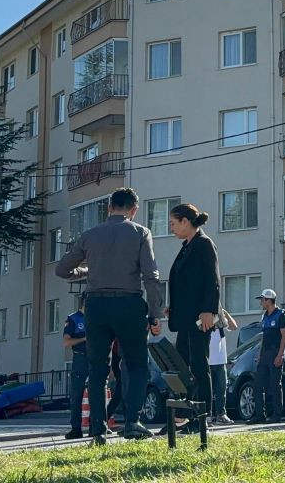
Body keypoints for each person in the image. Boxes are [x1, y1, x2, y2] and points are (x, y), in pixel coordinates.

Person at [55, 187, 163, 444]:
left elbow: (62, 270)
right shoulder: (140, 232)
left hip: (96, 305)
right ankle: (133, 421)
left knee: (98, 368)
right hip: (129, 304)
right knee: (136, 364)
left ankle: (97, 428)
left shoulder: (90, 235)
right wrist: (155, 313)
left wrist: (87, 272)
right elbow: (151, 275)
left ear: (109, 207)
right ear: (134, 210)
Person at [165, 202, 221, 434]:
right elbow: (182, 282)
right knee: (182, 366)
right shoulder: (186, 246)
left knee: (199, 365)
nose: (172, 229)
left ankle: (202, 417)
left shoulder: (204, 244)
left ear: (186, 222)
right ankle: (184, 414)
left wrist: (209, 309)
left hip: (200, 317)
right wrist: (174, 307)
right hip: (184, 318)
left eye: (173, 223)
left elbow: (212, 279)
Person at [248, 290, 285, 424]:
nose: (261, 302)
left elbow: (284, 336)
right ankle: (260, 414)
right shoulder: (265, 316)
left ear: (269, 300)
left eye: (262, 300)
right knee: (258, 384)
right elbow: (263, 337)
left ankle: (277, 415)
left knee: (275, 385)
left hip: (275, 352)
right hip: (265, 354)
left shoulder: (280, 315)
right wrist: (260, 354)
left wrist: (281, 354)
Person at [63, 299, 89, 439]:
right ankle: (76, 428)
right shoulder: (73, 319)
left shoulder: (97, 316)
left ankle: (98, 426)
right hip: (80, 358)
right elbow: (66, 342)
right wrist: (84, 339)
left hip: (95, 358)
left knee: (98, 392)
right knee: (76, 394)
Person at [208, 308, 239, 425]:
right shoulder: (204, 317)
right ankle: (208, 415)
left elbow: (233, 326)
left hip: (221, 360)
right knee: (208, 391)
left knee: (221, 390)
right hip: (208, 360)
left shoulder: (221, 319)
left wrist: (224, 313)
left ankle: (221, 414)